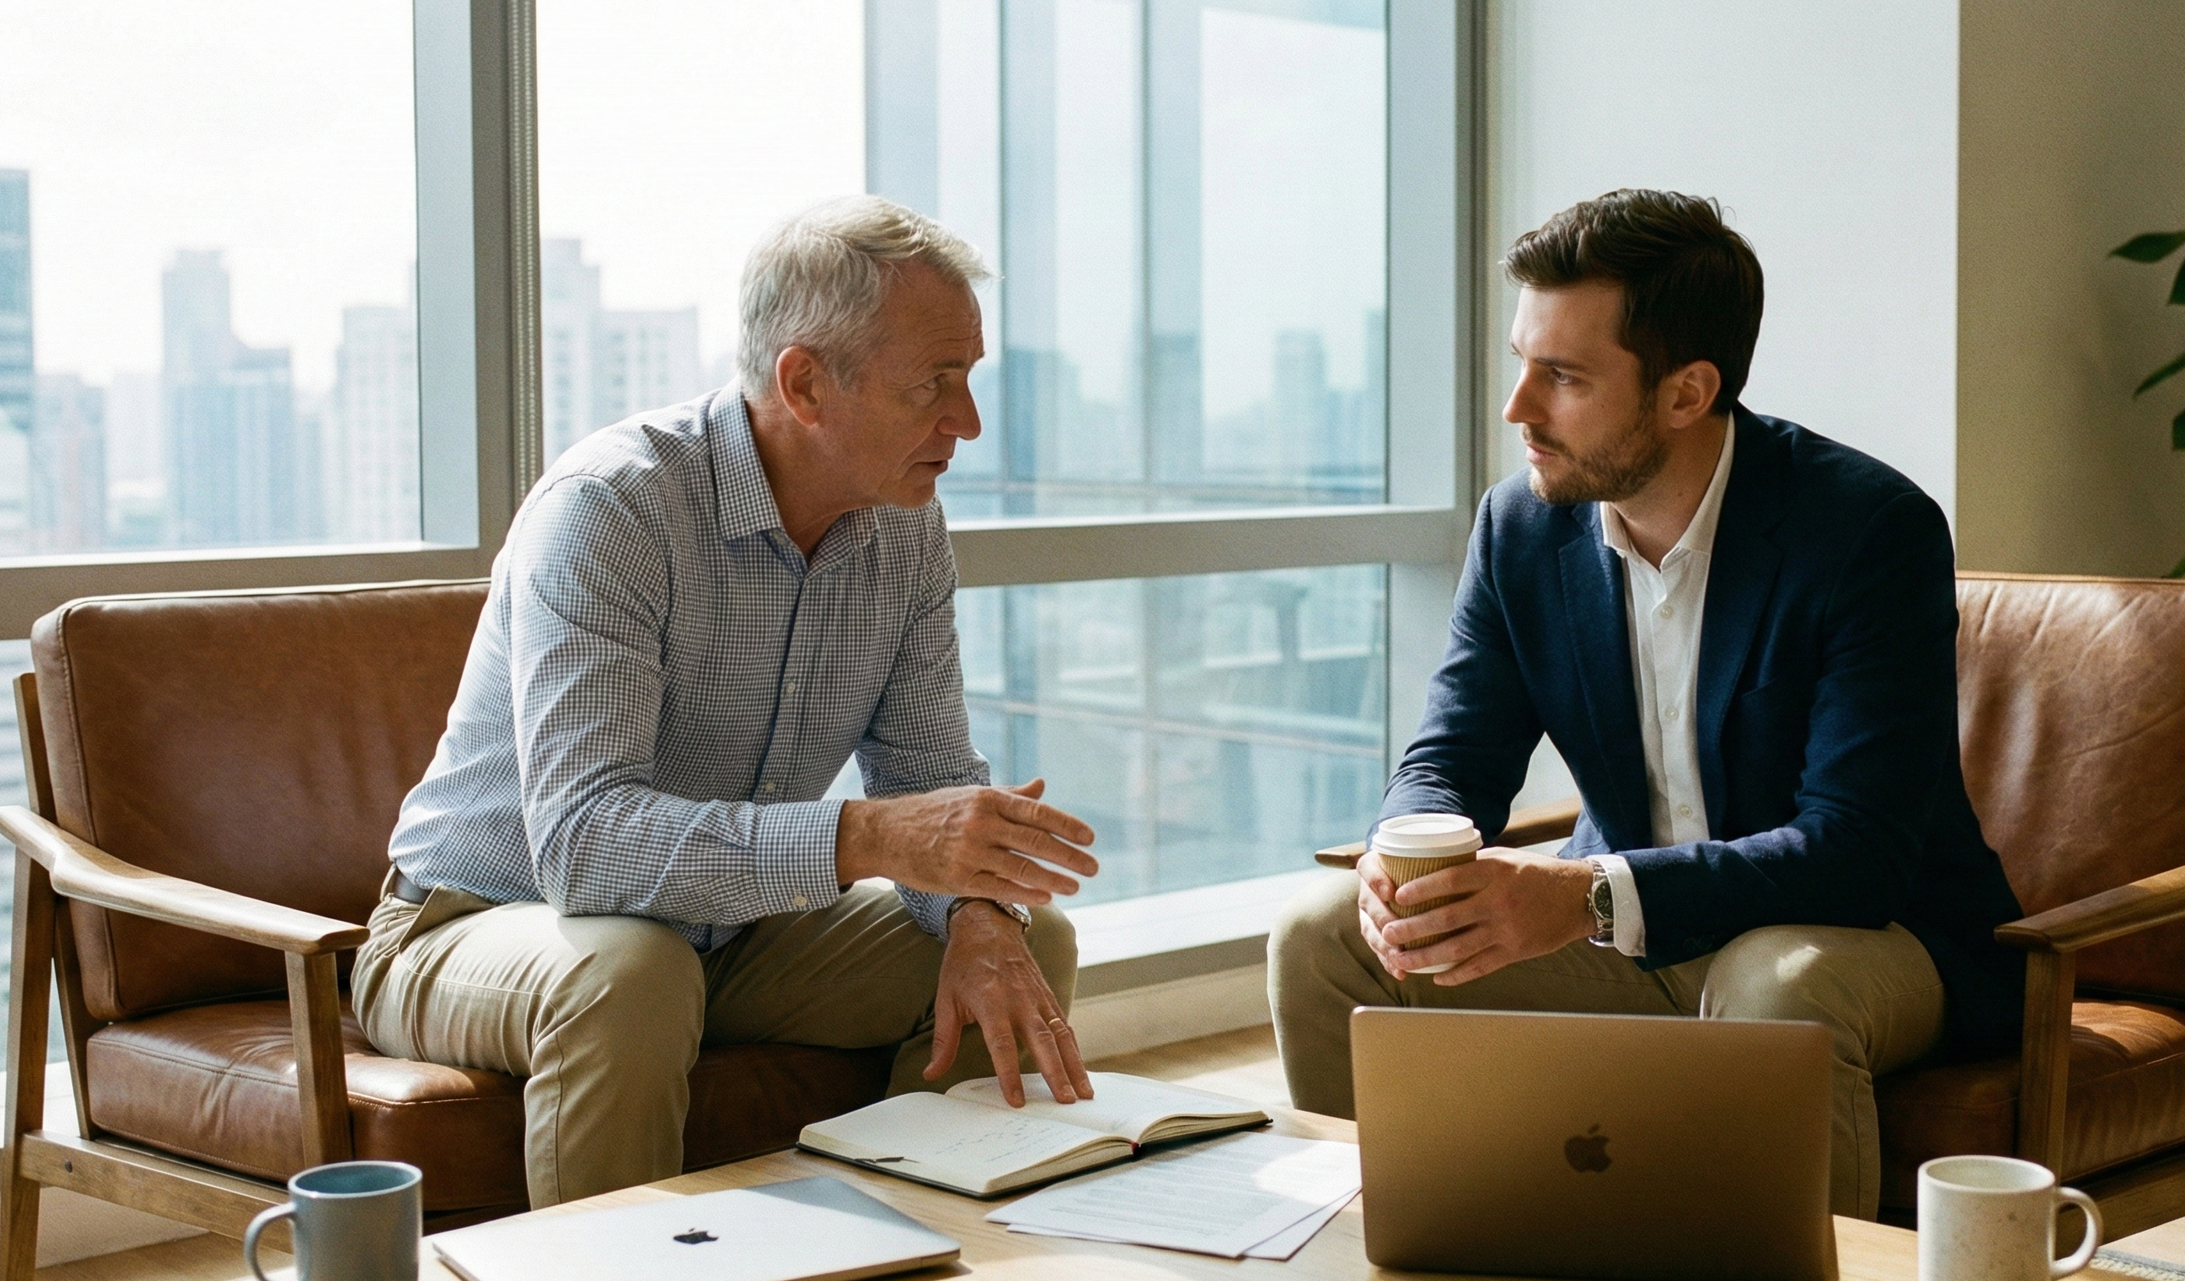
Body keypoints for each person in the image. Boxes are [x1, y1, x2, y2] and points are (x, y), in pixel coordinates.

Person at [1268, 189, 2025, 1219]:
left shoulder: (1864, 530)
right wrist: (1401, 854)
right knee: (1319, 933)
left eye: (1562, 377)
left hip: (1876, 937)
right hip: (1635, 936)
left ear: (1685, 392)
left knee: (1773, 983)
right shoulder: (1520, 529)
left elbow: (1856, 851)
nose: (1516, 408)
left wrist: (1580, 895)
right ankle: (1395, 1240)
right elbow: (1454, 748)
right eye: (1520, 362)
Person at [351, 196, 1098, 1208]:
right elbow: (582, 846)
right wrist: (868, 838)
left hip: (723, 935)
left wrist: (971, 901)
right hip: (474, 923)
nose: (964, 422)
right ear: (805, 383)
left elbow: (924, 774)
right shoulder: (612, 507)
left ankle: (900, 1244)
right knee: (630, 971)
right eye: (936, 382)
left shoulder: (905, 529)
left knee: (1021, 942)